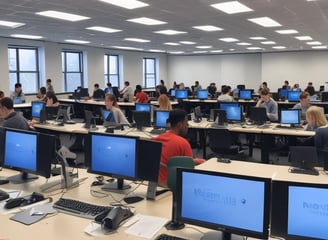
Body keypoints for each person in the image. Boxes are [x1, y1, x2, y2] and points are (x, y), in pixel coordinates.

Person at [153, 109, 205, 187]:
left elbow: (168, 160)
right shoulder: (182, 143)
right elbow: (189, 170)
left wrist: (194, 161)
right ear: (179, 124)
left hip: (155, 183)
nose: (188, 125)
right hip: (173, 186)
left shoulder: (156, 139)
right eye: (186, 123)